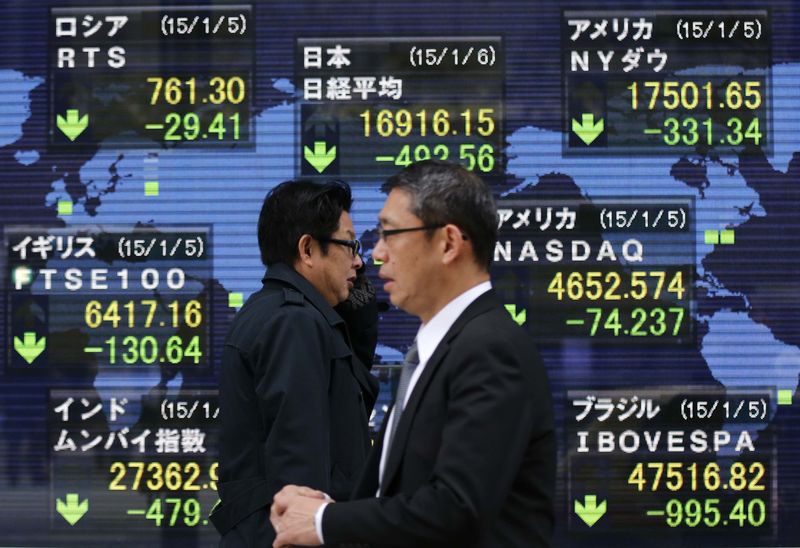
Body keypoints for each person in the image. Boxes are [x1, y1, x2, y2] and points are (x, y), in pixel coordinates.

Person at [270, 160, 556, 547]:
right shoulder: (438, 349)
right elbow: (402, 499)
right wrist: (327, 509)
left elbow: (456, 508)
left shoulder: (490, 349)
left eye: (390, 233)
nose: (376, 253)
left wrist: (325, 521)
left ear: (449, 243)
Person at [211, 179, 380, 546]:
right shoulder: (294, 322)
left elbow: (340, 420)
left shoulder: (284, 313)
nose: (359, 260)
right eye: (349, 244)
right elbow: (300, 472)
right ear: (307, 249)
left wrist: (359, 320)